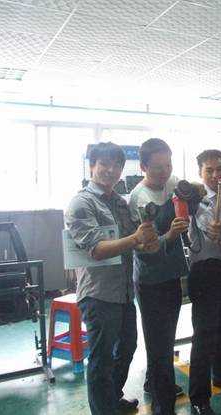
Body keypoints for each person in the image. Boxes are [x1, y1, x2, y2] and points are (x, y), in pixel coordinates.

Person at [65, 142, 160, 415]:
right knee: (101, 359)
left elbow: (135, 240)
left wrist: (150, 242)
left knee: (127, 348)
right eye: (104, 164)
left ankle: (111, 399)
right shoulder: (81, 203)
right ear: (92, 166)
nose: (110, 170)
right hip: (98, 294)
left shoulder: (120, 202)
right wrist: (136, 239)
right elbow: (96, 249)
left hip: (123, 292)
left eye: (117, 165)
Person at [129, 138, 189, 415]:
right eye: (157, 167)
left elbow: (186, 189)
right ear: (143, 167)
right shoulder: (139, 199)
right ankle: (163, 406)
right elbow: (144, 249)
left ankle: (154, 382)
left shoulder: (171, 182)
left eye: (168, 165)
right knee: (158, 344)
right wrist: (171, 236)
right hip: (151, 280)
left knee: (166, 339)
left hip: (171, 275)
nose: (164, 172)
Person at [187, 149, 221, 415]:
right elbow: (214, 229)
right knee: (204, 334)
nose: (215, 174)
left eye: (219, 169)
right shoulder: (197, 201)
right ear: (200, 173)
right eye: (209, 170)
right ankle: (199, 397)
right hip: (203, 271)